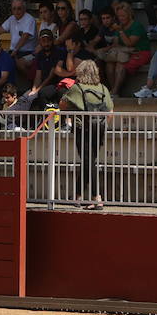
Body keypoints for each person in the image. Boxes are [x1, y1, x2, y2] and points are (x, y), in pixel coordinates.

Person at [59, 60, 112, 209]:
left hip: (83, 127)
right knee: (89, 160)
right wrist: (103, 126)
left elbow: (62, 104)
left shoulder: (77, 88)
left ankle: (97, 198)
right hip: (99, 128)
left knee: (88, 161)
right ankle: (77, 196)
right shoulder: (103, 88)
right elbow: (110, 111)